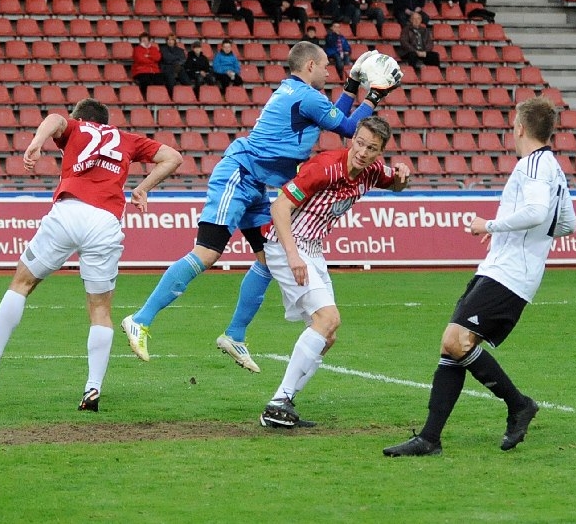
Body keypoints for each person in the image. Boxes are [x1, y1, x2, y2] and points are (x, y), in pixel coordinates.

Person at [121, 44, 402, 362]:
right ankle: (140, 319)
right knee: (208, 252)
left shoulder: (297, 93)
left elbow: (336, 119)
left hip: (255, 181)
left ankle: (235, 335)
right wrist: (374, 95)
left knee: (268, 260)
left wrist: (352, 85)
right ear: (310, 65)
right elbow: (350, 129)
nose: (328, 72)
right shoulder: (307, 97)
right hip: (239, 175)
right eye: (325, 66)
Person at [383, 96, 576, 457]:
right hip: (504, 269)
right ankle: (429, 438)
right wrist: (512, 235)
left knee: (457, 341)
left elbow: (537, 212)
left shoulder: (533, 165)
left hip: (509, 273)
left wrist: (491, 225)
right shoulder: (552, 167)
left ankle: (519, 404)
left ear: (520, 127)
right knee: (452, 344)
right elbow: (567, 223)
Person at [0, 99, 182, 412]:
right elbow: (173, 157)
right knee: (100, 309)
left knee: (22, 283)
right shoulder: (126, 139)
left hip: (69, 210)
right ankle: (92, 389)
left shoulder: (76, 127)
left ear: (79, 118)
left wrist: (37, 142)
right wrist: (142, 188)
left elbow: (55, 119)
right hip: (105, 221)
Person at [252, 117, 409, 416]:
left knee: (328, 334)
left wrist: (403, 174)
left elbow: (397, 184)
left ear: (380, 152)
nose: (362, 152)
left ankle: (284, 402)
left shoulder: (372, 171)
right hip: (286, 243)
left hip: (313, 248)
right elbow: (279, 206)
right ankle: (278, 402)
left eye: (371, 148)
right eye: (359, 143)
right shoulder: (325, 166)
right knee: (328, 319)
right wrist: (292, 256)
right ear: (352, 140)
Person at [132, 32, 168, 97]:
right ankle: (145, 96)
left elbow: (158, 58)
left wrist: (148, 56)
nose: (144, 41)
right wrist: (152, 60)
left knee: (160, 80)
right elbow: (140, 59)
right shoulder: (137, 49)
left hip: (154, 70)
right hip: (141, 71)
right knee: (145, 80)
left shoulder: (154, 48)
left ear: (149, 40)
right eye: (142, 40)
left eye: (145, 40)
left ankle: (156, 96)